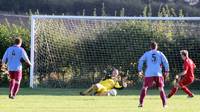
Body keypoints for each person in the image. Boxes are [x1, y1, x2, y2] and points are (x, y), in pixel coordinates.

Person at [138, 41, 169, 108]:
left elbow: (141, 60)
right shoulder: (160, 53)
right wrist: (167, 70)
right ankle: (164, 104)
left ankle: (141, 103)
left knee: (144, 87)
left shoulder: (147, 53)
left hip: (149, 73)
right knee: (161, 88)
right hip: (158, 73)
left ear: (150, 47)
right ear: (156, 47)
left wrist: (140, 70)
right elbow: (165, 62)